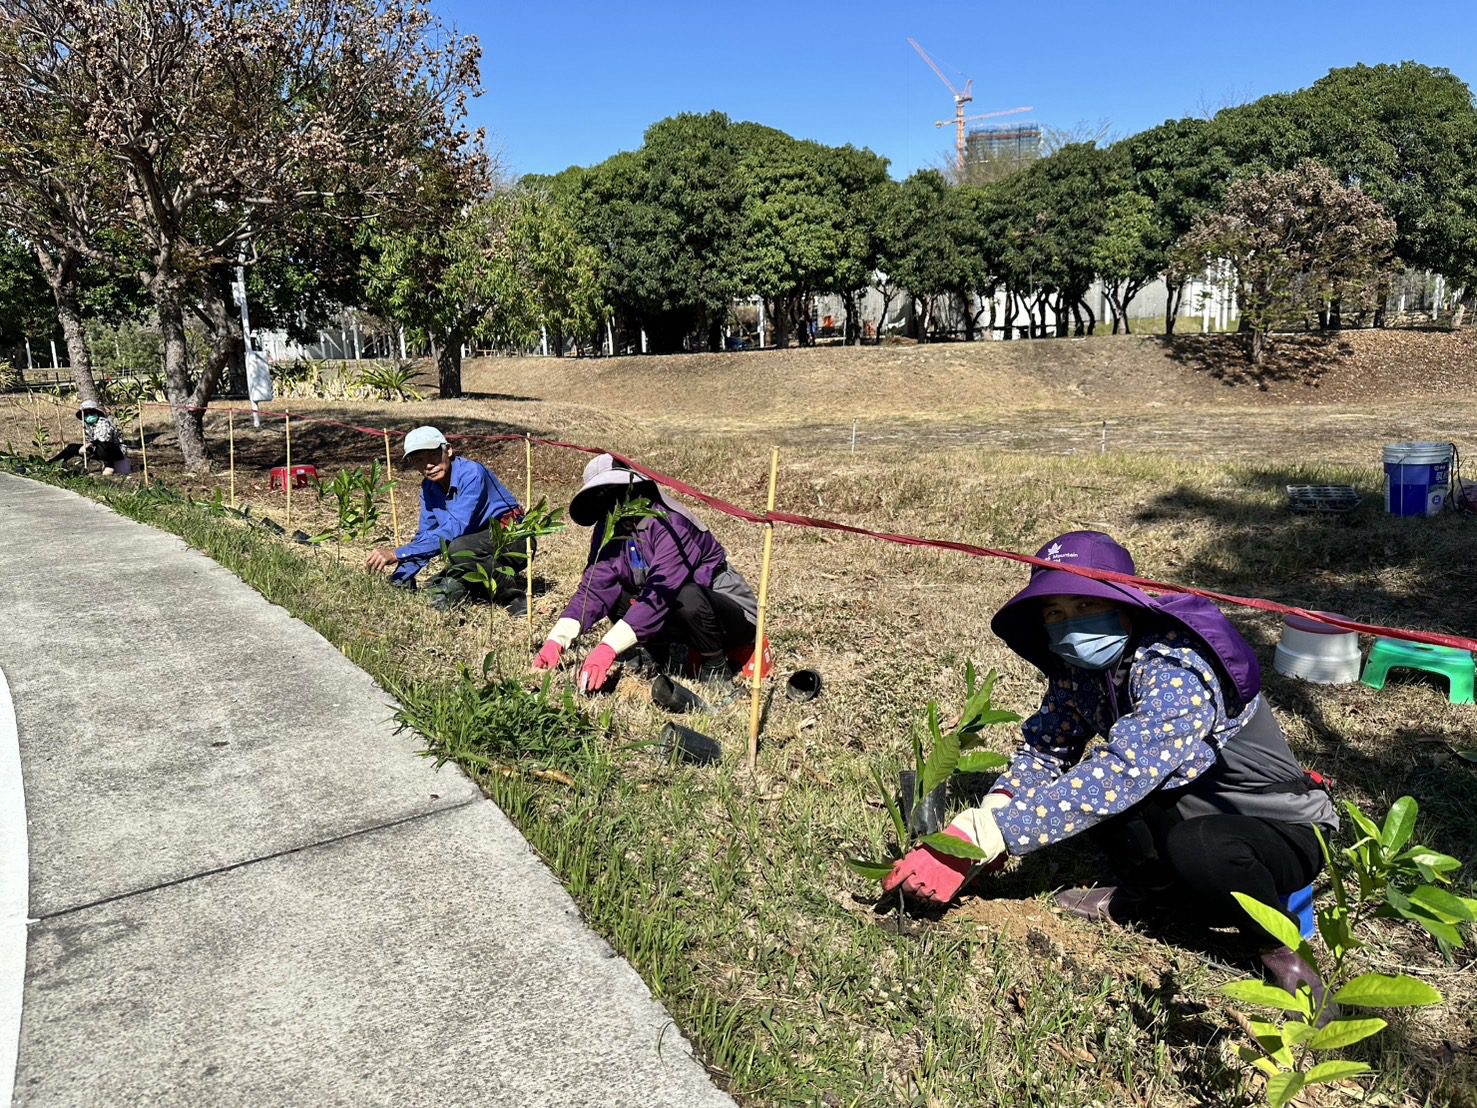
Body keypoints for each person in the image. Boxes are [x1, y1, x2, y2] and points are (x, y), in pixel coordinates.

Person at [882, 531, 1339, 1009]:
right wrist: (994, 813)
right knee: (1098, 805)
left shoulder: (1177, 665)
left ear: (1125, 604)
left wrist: (995, 834)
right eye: (1054, 613)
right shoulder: (1081, 674)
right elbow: (1047, 752)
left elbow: (1125, 770)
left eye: (1085, 605)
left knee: (1196, 844)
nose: (1070, 624)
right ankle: (1151, 899)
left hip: (1277, 824)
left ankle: (1277, 949)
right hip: (1186, 804)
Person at [532, 454, 759, 694]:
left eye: (617, 489)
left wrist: (607, 648)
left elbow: (661, 594)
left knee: (686, 595)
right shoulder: (610, 527)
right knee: (617, 594)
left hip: (727, 614)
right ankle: (658, 652)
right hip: (672, 608)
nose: (614, 501)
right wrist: (558, 638)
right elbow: (595, 589)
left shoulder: (670, 522)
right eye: (602, 495)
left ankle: (715, 665)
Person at [364, 426, 529, 614]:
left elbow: (453, 530)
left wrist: (398, 554)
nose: (428, 465)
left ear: (448, 450)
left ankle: (513, 598)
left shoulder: (472, 474)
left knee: (458, 549)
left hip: (512, 538)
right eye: (419, 460)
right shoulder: (429, 487)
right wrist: (401, 577)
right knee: (437, 590)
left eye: (433, 455)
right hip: (474, 546)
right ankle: (475, 587)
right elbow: (425, 535)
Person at [76, 400, 131, 475]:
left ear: (97, 413)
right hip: (97, 449)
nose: (89, 415)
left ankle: (109, 466)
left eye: (91, 413)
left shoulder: (103, 422)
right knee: (72, 448)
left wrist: (87, 445)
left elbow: (103, 439)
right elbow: (89, 440)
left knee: (101, 445)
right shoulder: (88, 426)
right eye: (86, 414)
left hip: (115, 451)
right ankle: (60, 464)